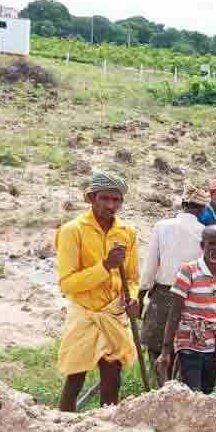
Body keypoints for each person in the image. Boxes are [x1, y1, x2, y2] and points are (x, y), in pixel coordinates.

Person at [54, 172, 141, 412]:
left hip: (113, 312)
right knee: (75, 376)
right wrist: (105, 267)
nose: (111, 206)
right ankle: (64, 424)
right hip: (85, 312)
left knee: (112, 374)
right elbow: (68, 283)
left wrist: (132, 298)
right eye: (105, 199)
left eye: (116, 200)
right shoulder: (72, 231)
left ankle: (107, 426)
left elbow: (132, 277)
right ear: (91, 198)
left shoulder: (127, 232)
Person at [157, 226, 216, 393]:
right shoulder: (188, 271)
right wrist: (165, 351)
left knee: (207, 392)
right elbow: (174, 313)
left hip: (213, 345)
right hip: (189, 341)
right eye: (212, 244)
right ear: (203, 245)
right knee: (193, 393)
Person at [138, 184, 208, 385]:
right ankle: (177, 387)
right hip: (191, 296)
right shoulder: (204, 232)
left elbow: (150, 265)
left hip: (164, 294)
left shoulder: (162, 226)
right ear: (202, 210)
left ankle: (162, 387)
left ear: (183, 203)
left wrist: (141, 293)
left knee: (156, 346)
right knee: (183, 346)